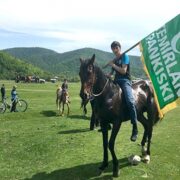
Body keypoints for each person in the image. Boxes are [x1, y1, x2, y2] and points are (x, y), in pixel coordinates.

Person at [107, 41, 138, 142]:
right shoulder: (115, 60)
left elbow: (123, 71)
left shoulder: (125, 56)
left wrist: (113, 64)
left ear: (120, 48)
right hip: (116, 81)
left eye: (116, 48)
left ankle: (135, 127)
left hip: (125, 81)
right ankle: (106, 122)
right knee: (105, 98)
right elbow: (111, 74)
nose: (115, 50)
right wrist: (107, 75)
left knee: (130, 101)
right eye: (113, 49)